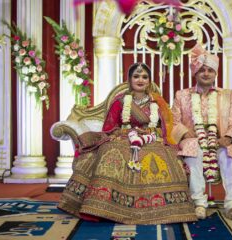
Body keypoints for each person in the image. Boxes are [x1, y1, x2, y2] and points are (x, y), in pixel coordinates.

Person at [58, 62, 197, 224]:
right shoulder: (120, 101)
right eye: (136, 76)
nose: (140, 80)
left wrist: (152, 134)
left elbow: (166, 128)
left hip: (150, 138)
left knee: (165, 154)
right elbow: (109, 127)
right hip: (124, 137)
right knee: (109, 150)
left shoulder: (158, 103)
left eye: (144, 77)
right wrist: (125, 133)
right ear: (129, 80)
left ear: (149, 81)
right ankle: (102, 206)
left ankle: (165, 207)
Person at [171, 44, 232, 223]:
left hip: (219, 140)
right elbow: (174, 122)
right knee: (194, 150)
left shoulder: (227, 95)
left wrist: (228, 138)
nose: (206, 73)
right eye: (202, 70)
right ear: (195, 73)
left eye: (210, 70)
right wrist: (186, 134)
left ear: (216, 74)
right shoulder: (182, 95)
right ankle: (199, 203)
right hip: (193, 139)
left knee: (229, 155)